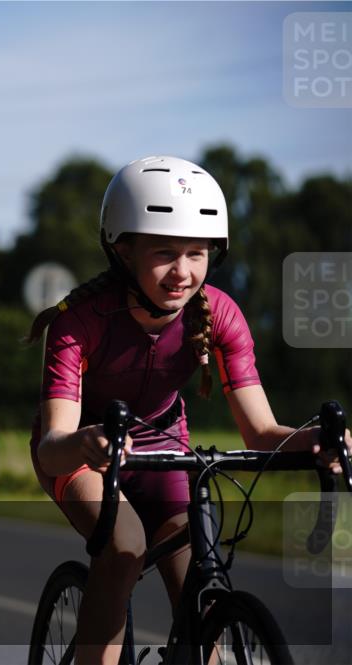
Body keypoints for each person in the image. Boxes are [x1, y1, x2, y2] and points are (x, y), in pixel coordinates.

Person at [25, 155, 352, 665]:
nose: (183, 272)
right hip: (84, 453)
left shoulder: (220, 313)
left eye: (197, 254)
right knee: (126, 546)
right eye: (164, 253)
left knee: (201, 587)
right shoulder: (77, 323)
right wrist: (86, 442)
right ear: (122, 250)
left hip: (165, 452)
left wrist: (312, 441)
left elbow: (262, 431)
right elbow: (52, 448)